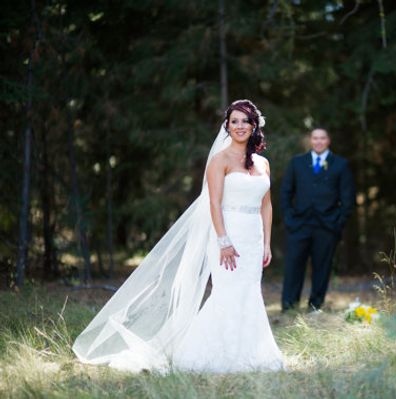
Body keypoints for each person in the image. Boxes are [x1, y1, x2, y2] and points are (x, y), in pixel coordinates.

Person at [72, 100, 284, 373]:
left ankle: (253, 353)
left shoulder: (263, 163)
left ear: (254, 125)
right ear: (227, 126)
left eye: (245, 121)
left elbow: (266, 205)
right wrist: (223, 241)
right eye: (234, 121)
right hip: (226, 236)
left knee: (249, 293)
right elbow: (214, 203)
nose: (240, 126)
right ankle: (209, 354)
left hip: (253, 239)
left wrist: (266, 242)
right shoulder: (220, 160)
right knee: (227, 293)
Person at [280, 128, 355, 312]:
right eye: (315, 138)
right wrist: (289, 218)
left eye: (322, 138)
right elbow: (285, 193)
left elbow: (348, 199)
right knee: (293, 266)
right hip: (299, 225)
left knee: (322, 267)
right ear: (310, 141)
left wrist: (338, 222)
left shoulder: (340, 165)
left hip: (327, 226)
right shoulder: (297, 163)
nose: (319, 141)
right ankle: (289, 306)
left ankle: (315, 306)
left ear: (328, 140)